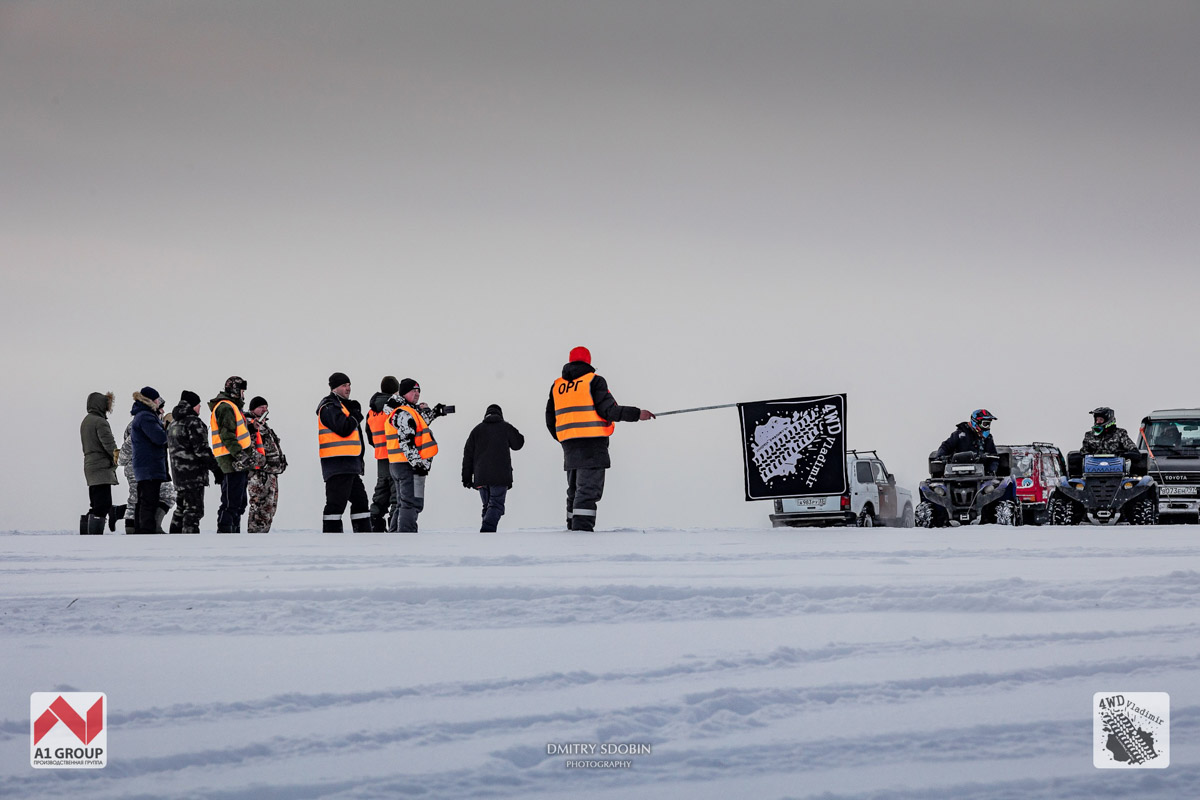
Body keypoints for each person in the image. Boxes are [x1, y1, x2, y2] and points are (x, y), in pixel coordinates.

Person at [545, 347, 655, 531]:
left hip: (569, 445)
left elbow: (550, 418)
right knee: (587, 490)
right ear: (588, 361)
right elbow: (609, 411)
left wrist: (564, 437)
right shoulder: (593, 381)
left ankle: (572, 530)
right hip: (592, 444)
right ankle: (581, 535)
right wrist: (637, 414)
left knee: (574, 491)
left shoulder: (558, 386)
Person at [386, 378, 450, 532]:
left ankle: (395, 537)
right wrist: (419, 464)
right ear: (403, 393)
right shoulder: (404, 413)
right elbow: (406, 441)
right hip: (408, 466)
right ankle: (406, 539)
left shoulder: (404, 411)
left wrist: (434, 413)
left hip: (397, 464)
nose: (416, 393)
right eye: (412, 390)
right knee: (411, 503)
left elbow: (418, 424)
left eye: (418, 390)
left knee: (402, 503)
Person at [317, 372, 372, 532]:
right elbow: (344, 428)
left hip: (349, 465)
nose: (348, 388)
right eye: (344, 385)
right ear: (335, 387)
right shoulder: (329, 407)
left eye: (349, 385)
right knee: (336, 504)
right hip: (338, 465)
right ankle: (332, 540)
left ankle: (364, 538)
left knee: (361, 502)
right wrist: (355, 414)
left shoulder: (342, 406)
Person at [462, 404, 525, 532]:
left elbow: (467, 455)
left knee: (487, 506)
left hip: (481, 477)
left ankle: (487, 539)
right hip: (500, 476)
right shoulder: (505, 427)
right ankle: (487, 532)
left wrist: (466, 478)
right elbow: (518, 443)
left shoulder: (476, 430)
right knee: (496, 506)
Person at [166, 390, 222, 533]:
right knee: (193, 511)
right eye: (198, 405)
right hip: (193, 475)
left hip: (179, 475)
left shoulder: (173, 423)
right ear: (192, 405)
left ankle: (173, 541)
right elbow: (201, 450)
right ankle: (189, 544)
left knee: (180, 510)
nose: (200, 408)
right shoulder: (193, 422)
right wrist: (216, 469)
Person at [209, 376, 256, 533]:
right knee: (231, 501)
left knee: (240, 502)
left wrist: (252, 428)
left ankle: (234, 533)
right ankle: (225, 532)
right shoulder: (225, 407)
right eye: (242, 390)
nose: (244, 394)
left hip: (236, 459)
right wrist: (239, 454)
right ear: (236, 390)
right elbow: (227, 434)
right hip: (231, 459)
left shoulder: (233, 408)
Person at [119, 420, 176, 534]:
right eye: (160, 407)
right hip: (139, 466)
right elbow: (126, 449)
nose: (163, 411)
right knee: (138, 498)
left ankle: (143, 525)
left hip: (146, 466)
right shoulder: (142, 423)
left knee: (140, 498)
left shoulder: (150, 422)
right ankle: (139, 526)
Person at [80, 391, 123, 535]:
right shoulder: (100, 422)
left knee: (95, 504)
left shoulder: (86, 420)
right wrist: (117, 457)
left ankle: (86, 533)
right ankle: (94, 538)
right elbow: (108, 443)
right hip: (101, 468)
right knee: (103, 505)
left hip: (90, 466)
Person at [129, 387, 171, 534]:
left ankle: (140, 530)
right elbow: (159, 438)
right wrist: (167, 427)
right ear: (151, 400)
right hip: (150, 467)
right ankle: (146, 531)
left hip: (145, 466)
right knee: (149, 501)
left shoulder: (142, 415)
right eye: (157, 400)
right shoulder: (146, 417)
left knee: (143, 500)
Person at [246, 396, 287, 532]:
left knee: (269, 509)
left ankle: (262, 537)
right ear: (253, 409)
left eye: (266, 407)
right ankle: (256, 538)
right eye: (261, 407)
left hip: (271, 474)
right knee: (260, 508)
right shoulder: (249, 425)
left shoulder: (264, 426)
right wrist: (261, 462)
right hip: (259, 474)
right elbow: (248, 447)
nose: (265, 409)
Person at [366, 376, 401, 531]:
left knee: (381, 493)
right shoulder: (394, 408)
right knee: (397, 494)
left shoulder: (371, 412)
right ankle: (395, 525)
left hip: (381, 455)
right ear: (396, 390)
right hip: (396, 456)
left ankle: (374, 523)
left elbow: (370, 436)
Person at [935, 409, 999, 473]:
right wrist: (940, 457)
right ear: (976, 422)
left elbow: (994, 457)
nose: (987, 427)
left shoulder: (988, 438)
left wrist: (991, 471)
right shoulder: (960, 435)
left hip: (981, 476)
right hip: (956, 473)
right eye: (985, 424)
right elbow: (946, 446)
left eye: (989, 424)